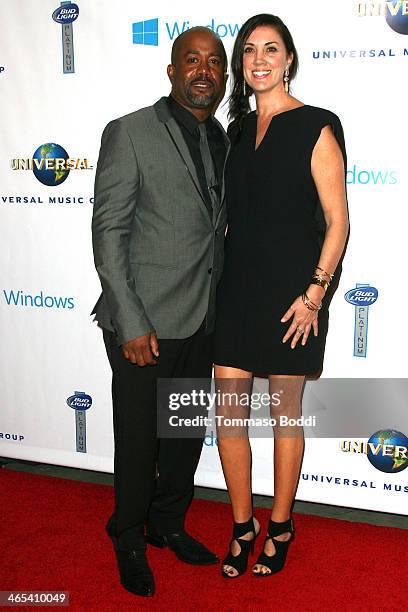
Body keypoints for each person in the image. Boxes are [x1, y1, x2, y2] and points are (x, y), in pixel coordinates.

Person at [91, 27, 229, 597]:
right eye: (191, 60)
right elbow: (109, 231)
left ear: (223, 78)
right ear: (171, 70)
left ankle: (167, 524)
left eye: (214, 63)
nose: (204, 70)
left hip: (203, 318)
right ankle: (127, 534)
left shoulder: (222, 137)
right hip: (144, 322)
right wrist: (130, 318)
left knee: (185, 435)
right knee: (140, 441)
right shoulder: (130, 132)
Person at [214, 14, 349, 578]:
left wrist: (314, 295)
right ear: (241, 64)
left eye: (271, 48)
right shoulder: (236, 131)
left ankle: (282, 522)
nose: (259, 59)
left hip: (294, 298)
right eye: (249, 50)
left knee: (284, 416)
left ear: (289, 59)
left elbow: (338, 221)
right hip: (237, 292)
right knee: (228, 417)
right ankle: (243, 525)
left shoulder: (317, 125)